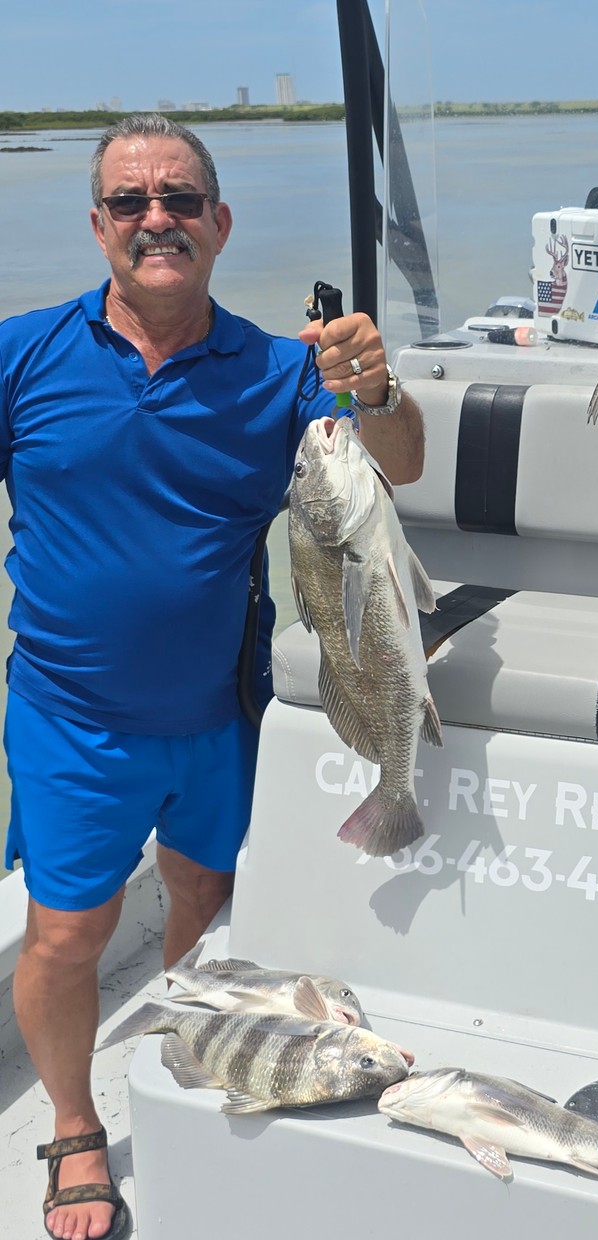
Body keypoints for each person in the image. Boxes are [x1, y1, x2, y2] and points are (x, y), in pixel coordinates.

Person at [0, 113, 426, 1240]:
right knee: (64, 936)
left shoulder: (285, 370)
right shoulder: (22, 354)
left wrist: (376, 389)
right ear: (98, 224)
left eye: (181, 200)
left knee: (202, 899)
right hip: (69, 719)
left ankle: (193, 1051)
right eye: (132, 202)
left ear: (219, 223)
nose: (158, 220)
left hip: (219, 717)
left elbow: (400, 464)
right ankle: (76, 1127)